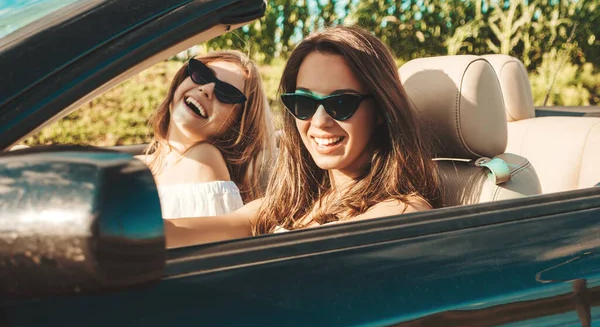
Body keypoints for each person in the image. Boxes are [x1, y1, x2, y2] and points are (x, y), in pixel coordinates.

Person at [164, 26, 442, 247]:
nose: (319, 121)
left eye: (341, 104)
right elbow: (191, 232)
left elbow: (312, 263)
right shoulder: (292, 204)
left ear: (381, 110)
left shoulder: (401, 211)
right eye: (304, 104)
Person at [137, 50, 276, 219]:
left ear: (237, 124)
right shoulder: (139, 164)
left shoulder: (204, 160)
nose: (206, 89)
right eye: (201, 74)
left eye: (226, 92)